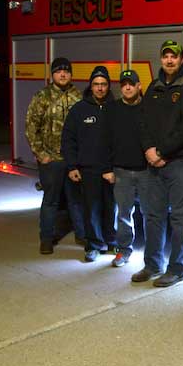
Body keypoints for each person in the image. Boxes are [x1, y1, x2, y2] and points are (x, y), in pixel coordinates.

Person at [133, 40, 183, 286]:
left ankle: (177, 268)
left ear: (181, 59)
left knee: (180, 218)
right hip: (154, 163)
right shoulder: (154, 87)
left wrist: (162, 151)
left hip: (182, 164)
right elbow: (142, 123)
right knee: (153, 216)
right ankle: (152, 265)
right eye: (165, 56)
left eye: (174, 56)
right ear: (161, 59)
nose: (169, 60)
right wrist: (148, 149)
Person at [25, 57, 85, 255]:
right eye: (59, 71)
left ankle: (82, 235)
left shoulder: (78, 96)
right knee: (51, 201)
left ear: (70, 74)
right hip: (51, 160)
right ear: (52, 74)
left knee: (75, 199)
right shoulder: (42, 96)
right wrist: (41, 154)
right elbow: (31, 127)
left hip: (73, 160)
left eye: (66, 71)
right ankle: (47, 239)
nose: (63, 74)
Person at [62, 66, 117, 262]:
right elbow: (68, 140)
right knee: (91, 208)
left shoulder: (116, 108)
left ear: (108, 86)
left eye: (103, 84)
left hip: (112, 170)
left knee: (112, 208)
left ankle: (112, 241)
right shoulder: (79, 110)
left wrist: (114, 167)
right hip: (88, 169)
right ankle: (93, 245)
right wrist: (72, 166)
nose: (100, 88)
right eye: (96, 84)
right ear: (90, 86)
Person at [101, 69, 148, 268]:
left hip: (147, 171)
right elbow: (104, 140)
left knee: (150, 214)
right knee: (123, 213)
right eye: (124, 84)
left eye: (131, 83)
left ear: (139, 86)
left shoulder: (149, 108)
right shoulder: (112, 109)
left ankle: (152, 255)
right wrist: (107, 168)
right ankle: (123, 250)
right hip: (120, 171)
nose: (127, 87)